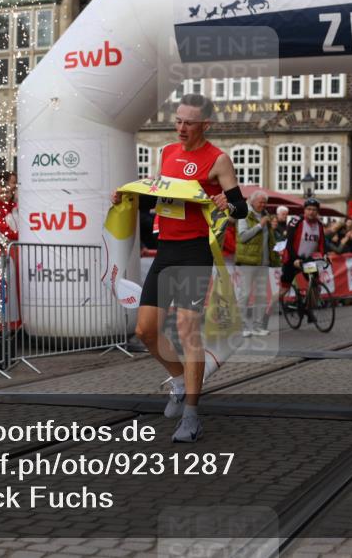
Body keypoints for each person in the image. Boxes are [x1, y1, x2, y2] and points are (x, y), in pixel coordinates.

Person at [110, 93, 246, 443]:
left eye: (189, 122)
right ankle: (178, 380)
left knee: (187, 330)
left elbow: (240, 207)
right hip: (166, 250)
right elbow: (160, 196)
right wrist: (129, 198)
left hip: (195, 252)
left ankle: (192, 415)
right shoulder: (167, 153)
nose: (181, 127)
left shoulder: (218, 160)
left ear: (205, 125)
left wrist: (225, 202)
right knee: (145, 330)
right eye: (178, 120)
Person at [235, 190, 277, 337]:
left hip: (263, 262)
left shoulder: (265, 215)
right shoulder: (245, 214)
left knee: (261, 295)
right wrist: (260, 225)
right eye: (261, 202)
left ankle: (258, 326)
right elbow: (242, 237)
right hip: (248, 261)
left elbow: (268, 240)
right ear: (252, 201)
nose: (263, 205)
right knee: (245, 294)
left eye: (265, 202)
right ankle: (242, 326)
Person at [276, 198, 325, 319]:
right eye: (308, 209)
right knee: (284, 289)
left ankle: (309, 309)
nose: (311, 212)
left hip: (307, 260)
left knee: (315, 286)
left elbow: (322, 243)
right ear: (304, 210)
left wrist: (325, 255)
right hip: (292, 260)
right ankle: (266, 311)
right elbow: (289, 243)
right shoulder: (296, 221)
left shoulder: (319, 224)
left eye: (314, 210)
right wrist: (294, 259)